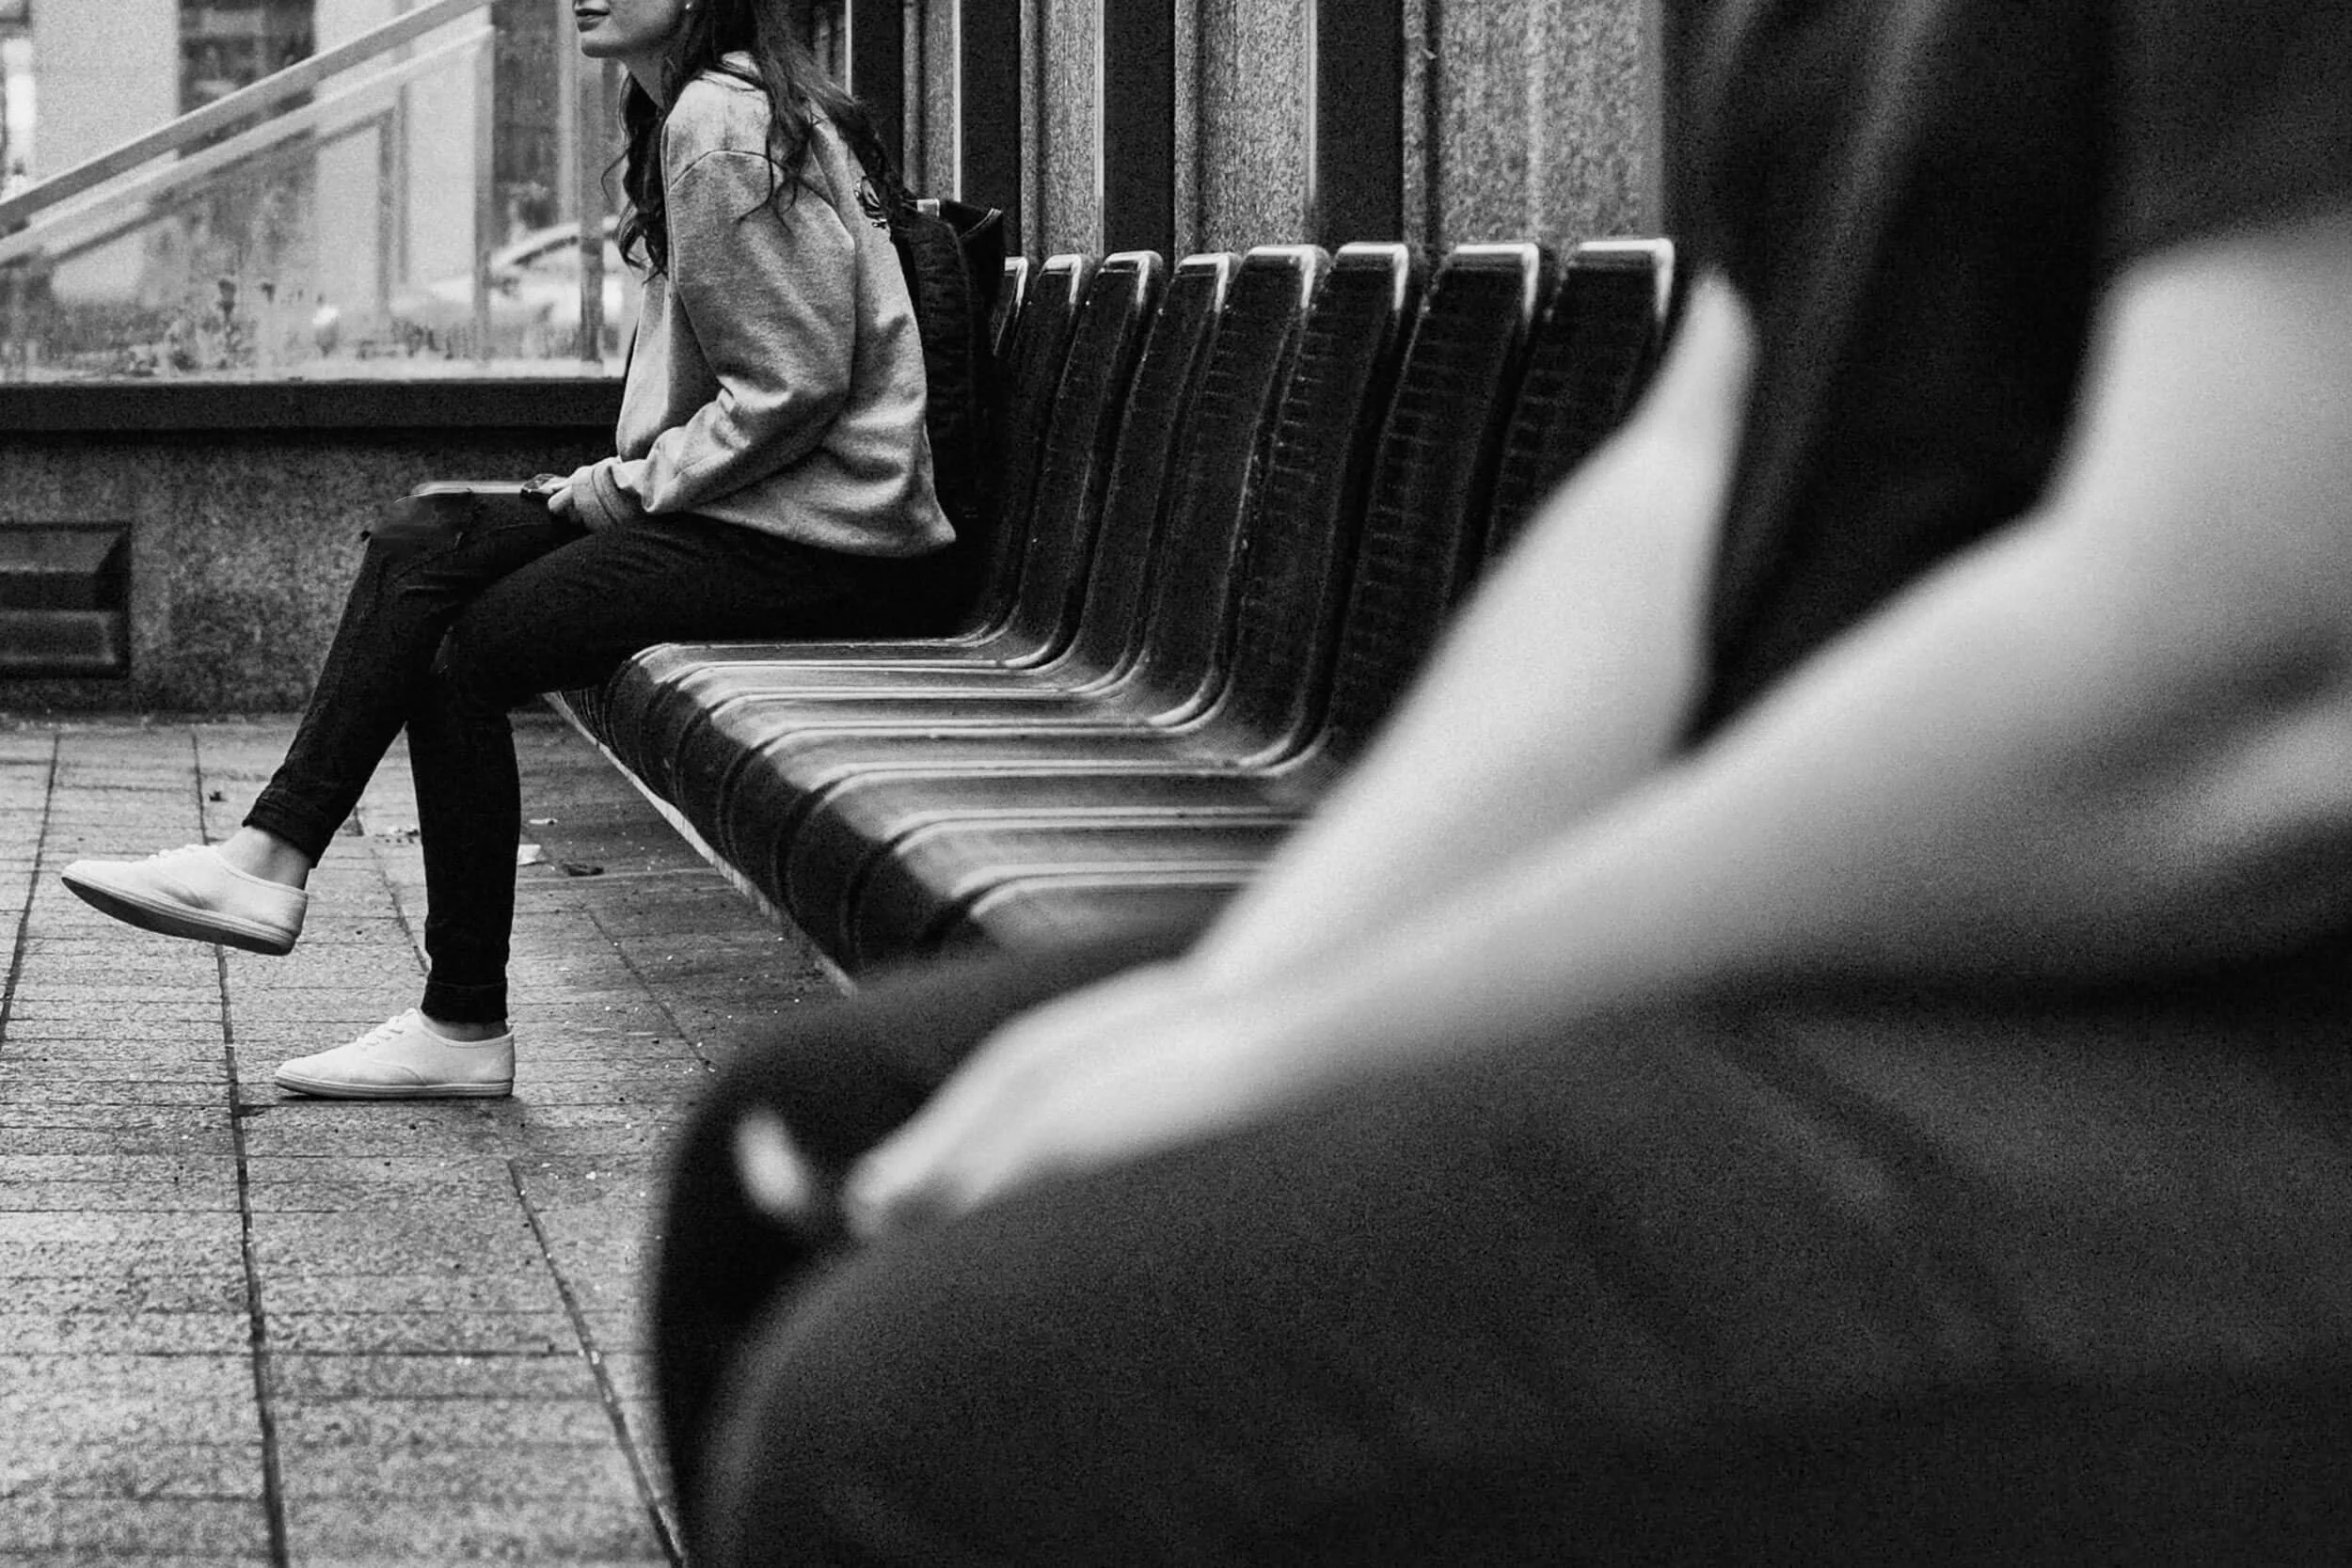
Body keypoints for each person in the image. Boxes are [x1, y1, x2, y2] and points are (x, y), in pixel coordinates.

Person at [649, 0, 2352, 1559]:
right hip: (1941, 947)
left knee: (935, 1420)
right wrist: (1238, 998)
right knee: (792, 1166)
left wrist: (1305, 1042)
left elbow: (2233, 674)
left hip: (2237, 1047)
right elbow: (1691, 478)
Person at [59, 0, 951, 1100]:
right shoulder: (707, 105)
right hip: (784, 515)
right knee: (433, 561)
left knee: (450, 598)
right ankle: (336, 918)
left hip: (821, 537)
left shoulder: (718, 121)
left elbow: (791, 385)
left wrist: (619, 491)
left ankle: (362, 936)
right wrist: (619, 487)